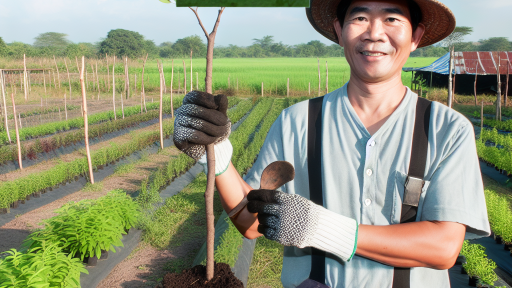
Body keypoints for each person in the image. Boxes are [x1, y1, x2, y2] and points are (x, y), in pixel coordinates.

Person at [173, 0, 491, 287]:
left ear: (416, 36)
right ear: (339, 31)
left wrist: (325, 228)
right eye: (360, 18)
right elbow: (251, 220)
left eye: (392, 19)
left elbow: (444, 248)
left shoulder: (446, 130)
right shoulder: (296, 123)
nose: (375, 33)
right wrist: (216, 155)